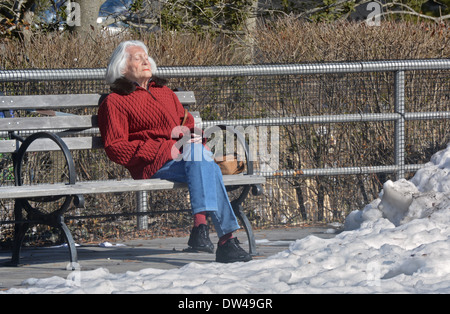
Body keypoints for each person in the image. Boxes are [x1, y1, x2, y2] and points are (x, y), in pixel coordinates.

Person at [98, 40, 251, 263]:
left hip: (186, 155)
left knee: (201, 158)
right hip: (152, 164)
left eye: (146, 56)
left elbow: (186, 123)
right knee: (208, 167)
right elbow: (116, 148)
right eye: (137, 57)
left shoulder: (164, 93)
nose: (145, 61)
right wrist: (164, 149)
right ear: (121, 68)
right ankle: (220, 236)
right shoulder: (115, 102)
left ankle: (209, 233)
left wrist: (197, 135)